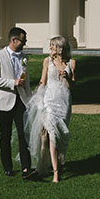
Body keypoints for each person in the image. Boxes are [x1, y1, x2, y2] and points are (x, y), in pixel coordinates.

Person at [25, 35, 75, 183]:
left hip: (64, 102)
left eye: (53, 45)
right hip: (49, 101)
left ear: (60, 48)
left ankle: (58, 163)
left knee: (60, 136)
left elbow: (73, 85)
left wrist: (67, 77)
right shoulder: (48, 61)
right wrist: (37, 99)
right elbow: (43, 81)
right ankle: (55, 173)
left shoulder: (71, 63)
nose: (51, 47)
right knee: (52, 135)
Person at [0, 27, 34, 178]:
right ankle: (7, 167)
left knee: (23, 134)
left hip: (21, 100)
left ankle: (26, 168)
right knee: (5, 135)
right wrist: (12, 82)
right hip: (3, 101)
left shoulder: (24, 57)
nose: (24, 44)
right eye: (23, 41)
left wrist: (30, 99)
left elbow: (26, 81)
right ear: (14, 40)